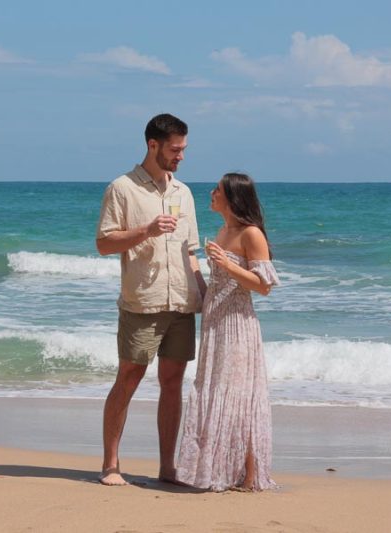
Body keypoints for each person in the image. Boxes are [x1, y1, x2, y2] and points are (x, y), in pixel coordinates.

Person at [96, 113, 206, 486]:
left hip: (181, 302)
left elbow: (191, 250)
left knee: (173, 381)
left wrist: (202, 292)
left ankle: (167, 467)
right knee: (129, 377)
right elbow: (104, 243)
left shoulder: (184, 193)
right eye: (175, 149)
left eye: (184, 149)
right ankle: (111, 464)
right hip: (143, 300)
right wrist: (145, 230)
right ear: (153, 145)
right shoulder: (122, 189)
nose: (181, 156)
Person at [176, 172, 279, 492]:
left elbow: (263, 287)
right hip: (215, 323)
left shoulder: (251, 234)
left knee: (238, 395)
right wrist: (195, 272)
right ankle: (220, 470)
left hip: (237, 324)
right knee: (214, 389)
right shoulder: (222, 231)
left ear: (233, 198)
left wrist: (228, 264)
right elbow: (217, 283)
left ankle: (250, 476)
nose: (211, 193)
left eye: (217, 190)